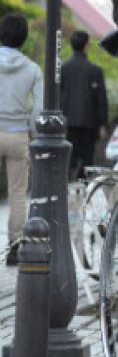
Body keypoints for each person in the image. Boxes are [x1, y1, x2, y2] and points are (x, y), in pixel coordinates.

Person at [0, 13, 43, 265]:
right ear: (24, 38)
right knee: (17, 193)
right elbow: (38, 110)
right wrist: (31, 133)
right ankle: (15, 246)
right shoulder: (32, 69)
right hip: (17, 135)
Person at [61, 30, 108, 180]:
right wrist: (102, 124)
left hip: (68, 121)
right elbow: (101, 99)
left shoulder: (63, 69)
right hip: (90, 121)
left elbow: (57, 95)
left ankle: (66, 183)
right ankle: (84, 186)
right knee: (88, 156)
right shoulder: (95, 70)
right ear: (86, 46)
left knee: (70, 155)